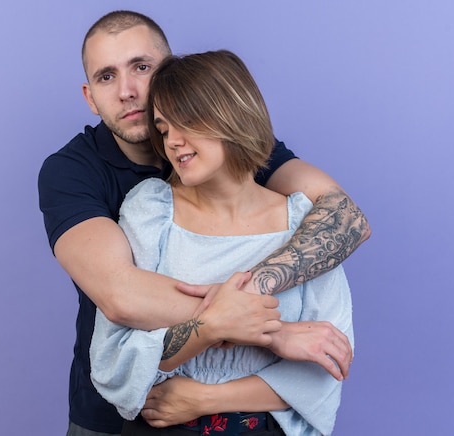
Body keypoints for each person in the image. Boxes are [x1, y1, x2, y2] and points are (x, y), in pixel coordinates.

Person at [38, 10, 370, 436]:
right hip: (115, 414)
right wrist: (272, 330)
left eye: (141, 67)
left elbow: (342, 216)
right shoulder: (77, 173)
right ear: (90, 95)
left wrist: (254, 296)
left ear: (170, 70)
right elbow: (120, 293)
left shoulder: (235, 150)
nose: (127, 91)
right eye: (106, 76)